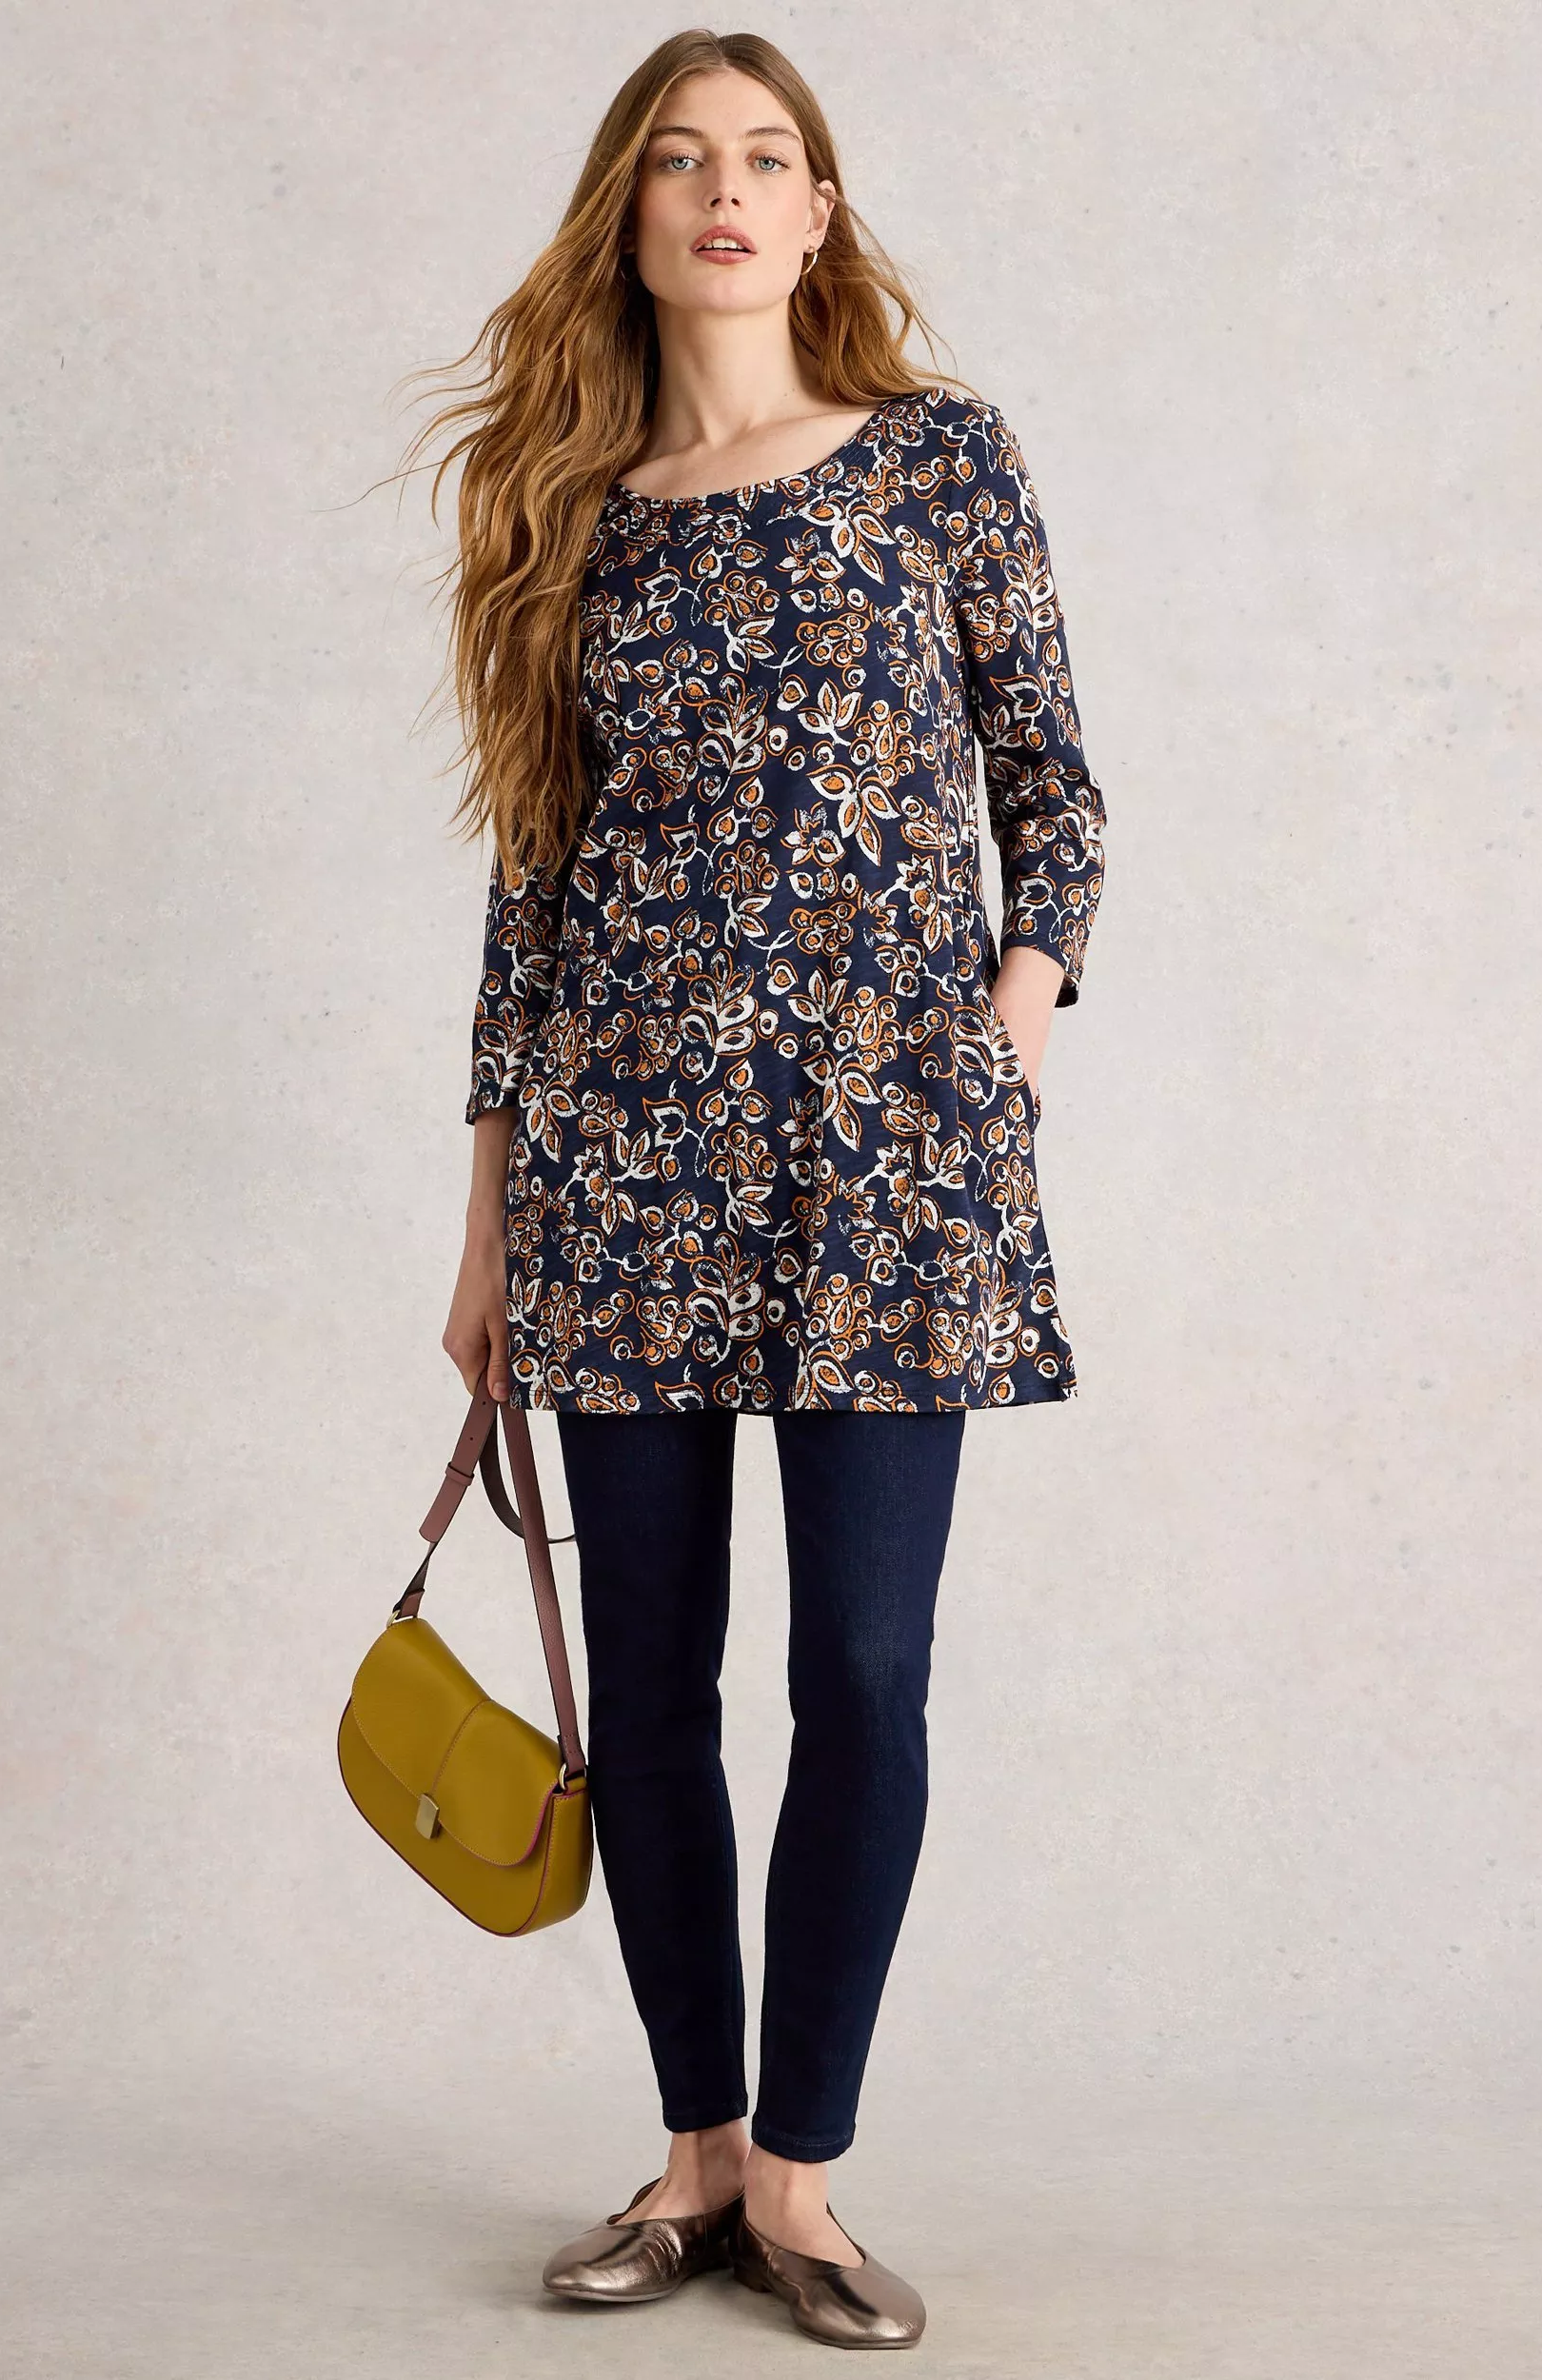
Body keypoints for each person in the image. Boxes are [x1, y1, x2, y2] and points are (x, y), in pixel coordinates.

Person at [417, 27, 1107, 2350]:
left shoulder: (937, 459)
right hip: (620, 1171)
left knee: (863, 1671)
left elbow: (1052, 786)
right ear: (629, 217)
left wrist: (1005, 1031)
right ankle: (695, 2150)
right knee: (650, 1685)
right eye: (680, 160)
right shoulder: (570, 517)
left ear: (818, 214)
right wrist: (490, 1219)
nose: (724, 190)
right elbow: (530, 899)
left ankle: (800, 2173)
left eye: (767, 156)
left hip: (886, 1168)